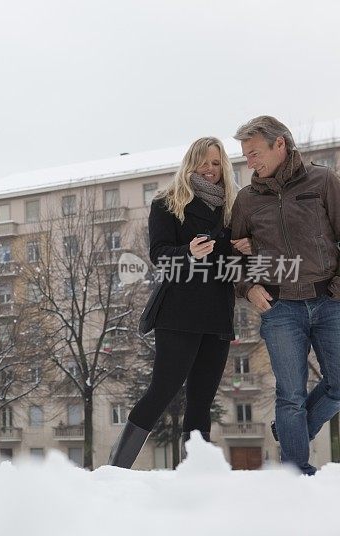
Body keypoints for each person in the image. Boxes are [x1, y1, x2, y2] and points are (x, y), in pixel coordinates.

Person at [108, 137, 238, 468]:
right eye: (202, 162)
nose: (209, 170)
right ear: (190, 164)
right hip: (178, 313)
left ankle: (195, 473)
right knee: (163, 390)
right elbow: (160, 257)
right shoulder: (168, 202)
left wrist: (243, 251)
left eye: (215, 162)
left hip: (218, 316)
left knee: (201, 400)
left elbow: (232, 266)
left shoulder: (232, 208)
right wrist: (188, 253)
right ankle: (116, 468)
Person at [230, 115, 340, 476]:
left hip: (329, 301)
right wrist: (249, 288)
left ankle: (291, 431)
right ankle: (296, 472)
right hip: (280, 309)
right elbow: (233, 258)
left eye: (255, 153)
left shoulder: (323, 180)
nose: (250, 162)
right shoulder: (246, 200)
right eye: (246, 156)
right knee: (289, 395)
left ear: (281, 145)